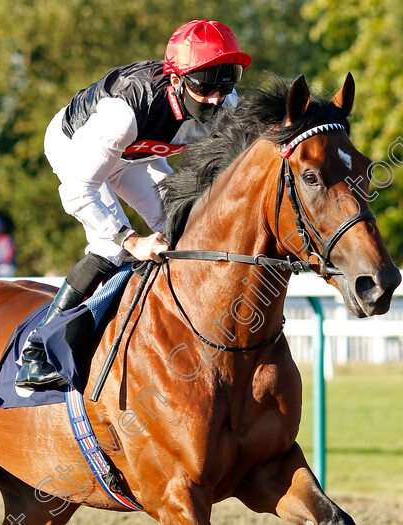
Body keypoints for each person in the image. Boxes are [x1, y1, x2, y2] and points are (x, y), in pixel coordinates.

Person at [16, 19, 252, 388]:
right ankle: (36, 353)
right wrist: (131, 239)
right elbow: (78, 190)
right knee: (110, 247)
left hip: (136, 154)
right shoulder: (122, 115)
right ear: (177, 81)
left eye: (227, 83)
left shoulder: (225, 104)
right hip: (78, 147)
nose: (216, 98)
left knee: (178, 230)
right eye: (205, 86)